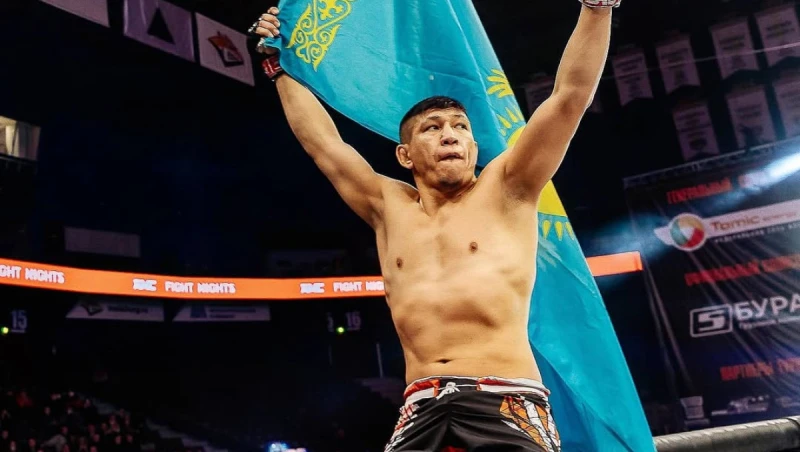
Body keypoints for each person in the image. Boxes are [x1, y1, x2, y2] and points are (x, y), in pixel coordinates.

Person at [251, 1, 618, 450]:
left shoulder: (508, 187)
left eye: (461, 127)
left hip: (505, 397)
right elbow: (322, 144)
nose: (449, 134)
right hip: (420, 405)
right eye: (432, 127)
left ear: (473, 147)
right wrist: (278, 66)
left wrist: (599, 9)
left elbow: (569, 98)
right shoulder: (387, 206)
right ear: (404, 155)